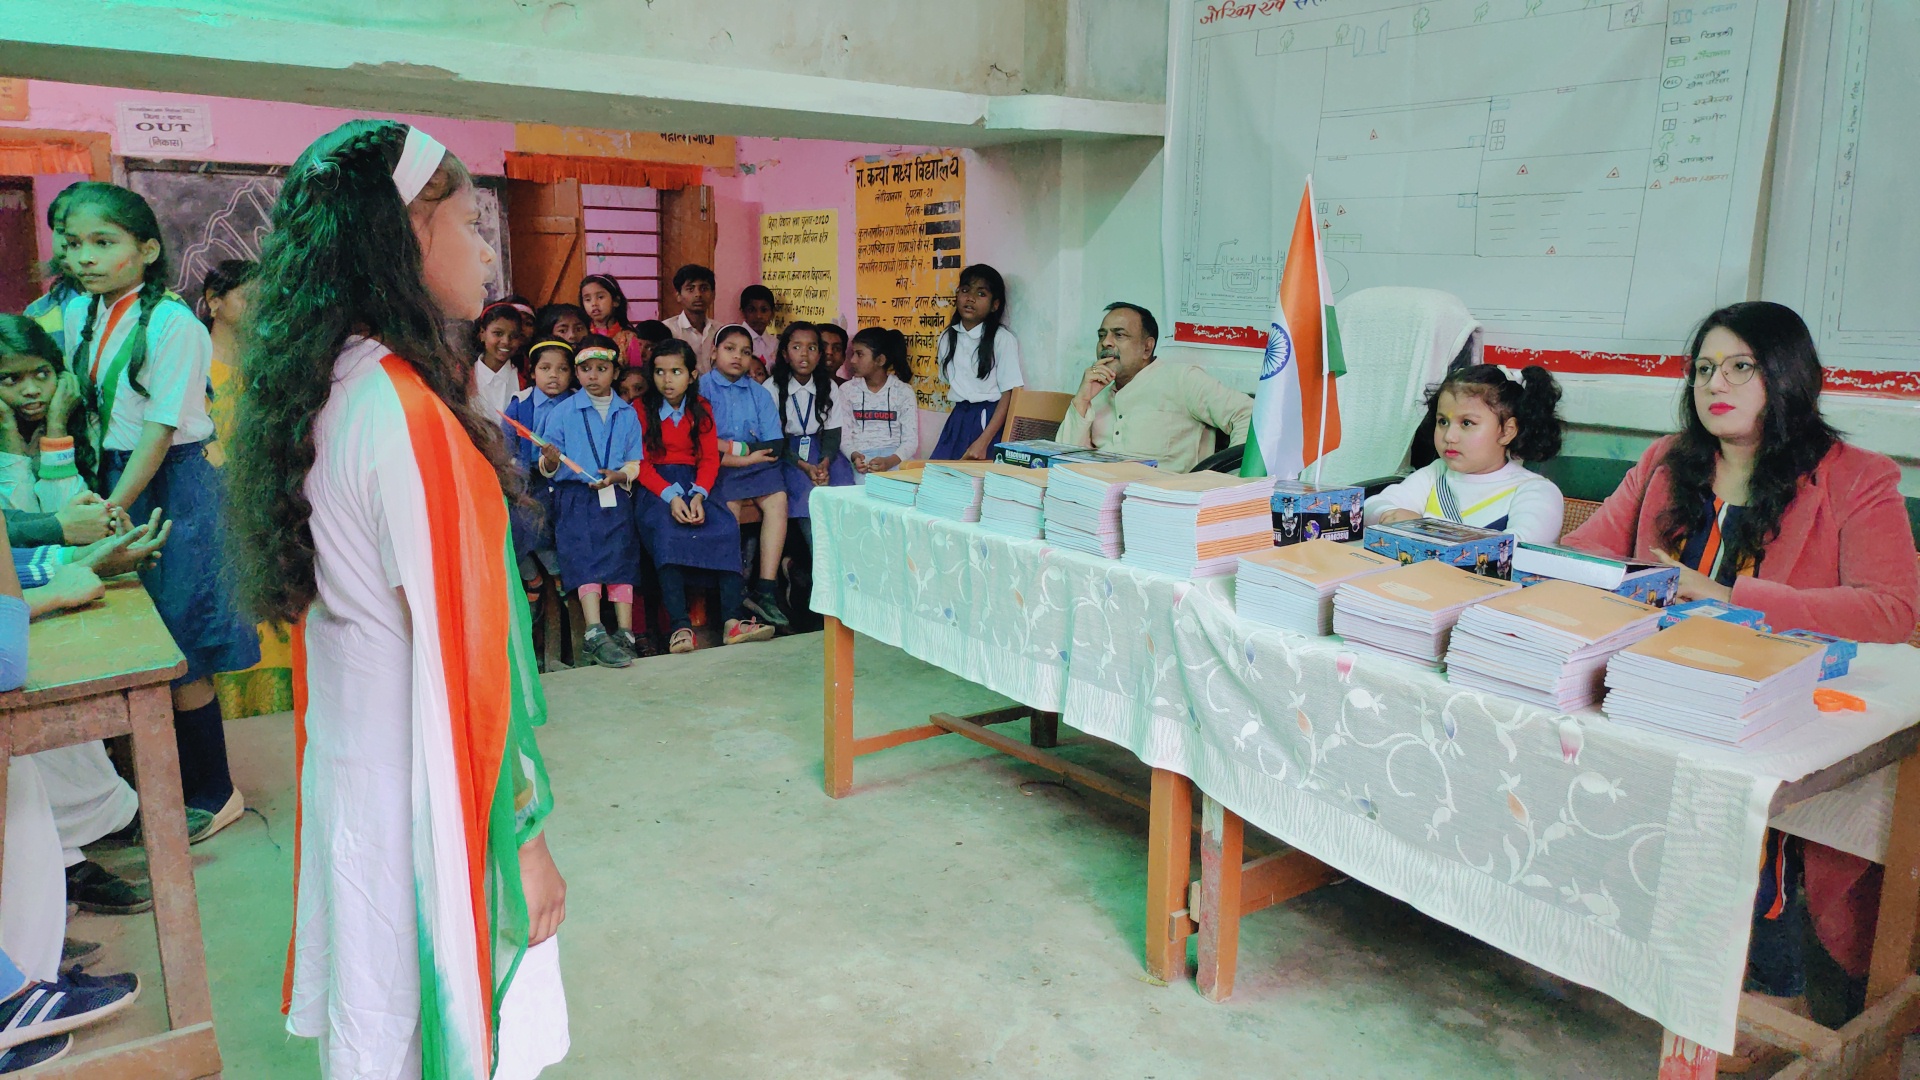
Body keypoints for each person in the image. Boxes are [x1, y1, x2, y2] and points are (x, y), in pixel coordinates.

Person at [225, 118, 568, 1079]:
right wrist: (524, 839)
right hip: (420, 779)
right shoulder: (405, 413)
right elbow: (475, 661)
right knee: (428, 1008)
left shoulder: (330, 383)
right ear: (410, 229)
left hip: (357, 758)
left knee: (376, 1006)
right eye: (471, 223)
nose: (488, 250)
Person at [1562, 302, 1919, 1067]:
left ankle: (1774, 992)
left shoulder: (1856, 477)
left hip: (1775, 700)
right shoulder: (1668, 460)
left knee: (1753, 812)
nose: (1714, 384)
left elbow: (1893, 610)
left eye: (1739, 366)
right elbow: (1588, 551)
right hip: (1661, 684)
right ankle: (1634, 957)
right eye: (1702, 369)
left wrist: (1728, 597)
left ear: (1786, 375)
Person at [62, 181, 260, 844]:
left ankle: (215, 791)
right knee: (127, 640)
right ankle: (148, 792)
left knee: (180, 642)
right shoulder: (84, 310)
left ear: (147, 249)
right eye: (73, 243)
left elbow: (159, 428)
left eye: (103, 242)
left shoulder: (173, 323)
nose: (84, 257)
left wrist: (112, 509)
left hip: (169, 484)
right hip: (114, 479)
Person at [0, 315, 148, 914]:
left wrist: (56, 431)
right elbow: (24, 524)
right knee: (34, 706)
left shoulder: (62, 418)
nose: (30, 390)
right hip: (20, 601)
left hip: (22, 590)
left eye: (41, 375)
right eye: (11, 380)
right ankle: (68, 859)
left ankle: (98, 821)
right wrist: (66, 551)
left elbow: (43, 519)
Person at [631, 340, 770, 653]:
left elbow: (709, 458)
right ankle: (680, 627)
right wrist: (671, 497)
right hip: (656, 487)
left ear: (692, 375)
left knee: (725, 527)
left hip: (697, 483)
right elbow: (639, 463)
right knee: (667, 533)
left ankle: (732, 621)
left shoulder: (701, 408)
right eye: (660, 372)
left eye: (676, 372)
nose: (667, 380)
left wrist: (698, 495)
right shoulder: (640, 409)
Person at [1364, 364, 1567, 544]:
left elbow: (1520, 547)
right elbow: (1371, 507)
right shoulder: (1436, 473)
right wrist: (1389, 514)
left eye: (1467, 423)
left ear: (1507, 431)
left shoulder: (1536, 491)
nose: (1449, 436)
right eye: (1443, 422)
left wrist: (1426, 529)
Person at [536, 335, 646, 669]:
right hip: (575, 497)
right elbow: (546, 467)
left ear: (615, 372)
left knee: (621, 558)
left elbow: (634, 463)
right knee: (584, 557)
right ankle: (594, 631)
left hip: (616, 494)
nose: (593, 375)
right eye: (586, 369)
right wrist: (550, 459)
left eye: (602, 368)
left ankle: (625, 633)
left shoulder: (627, 413)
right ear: (577, 372)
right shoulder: (563, 412)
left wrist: (619, 475)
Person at [1057, 302, 1254, 473]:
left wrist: (1227, 482)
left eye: (1119, 335)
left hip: (1166, 497)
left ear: (1147, 348)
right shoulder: (1095, 393)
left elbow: (1248, 414)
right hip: (1101, 496)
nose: (1105, 343)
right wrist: (1082, 400)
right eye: (1102, 335)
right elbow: (1061, 461)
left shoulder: (1182, 380)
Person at [702, 324, 790, 629]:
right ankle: (732, 593)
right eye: (729, 349)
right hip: (718, 466)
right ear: (714, 352)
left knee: (778, 500)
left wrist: (736, 450)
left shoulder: (759, 393)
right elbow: (701, 442)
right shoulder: (701, 389)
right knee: (730, 508)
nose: (737, 356)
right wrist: (738, 452)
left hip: (757, 463)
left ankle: (765, 588)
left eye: (745, 351)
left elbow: (774, 444)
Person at [505, 338, 575, 669]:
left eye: (562, 369)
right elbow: (506, 447)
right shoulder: (520, 403)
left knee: (551, 525)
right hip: (525, 482)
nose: (553, 376)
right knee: (514, 525)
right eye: (545, 368)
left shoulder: (576, 404)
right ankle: (533, 578)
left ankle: (558, 580)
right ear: (532, 372)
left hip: (562, 483)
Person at [930, 264, 1022, 460]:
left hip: (988, 420)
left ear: (995, 305)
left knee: (975, 475)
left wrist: (984, 441)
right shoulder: (947, 337)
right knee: (940, 473)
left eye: (981, 294)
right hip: (958, 418)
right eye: (965, 290)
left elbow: (1010, 393)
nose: (970, 298)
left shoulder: (1002, 339)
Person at [772, 321, 850, 530]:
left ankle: (845, 545)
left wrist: (824, 463)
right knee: (808, 494)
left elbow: (833, 433)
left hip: (820, 447)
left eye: (812, 348)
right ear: (785, 354)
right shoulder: (772, 387)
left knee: (842, 483)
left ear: (820, 354)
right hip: (786, 452)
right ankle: (818, 550)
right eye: (796, 347)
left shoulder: (829, 386)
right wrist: (805, 466)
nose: (804, 354)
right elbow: (775, 440)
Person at [832, 326, 918, 482]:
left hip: (896, 460)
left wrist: (890, 461)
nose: (852, 360)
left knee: (905, 488)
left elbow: (910, 441)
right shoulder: (847, 390)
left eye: (860, 354)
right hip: (861, 460)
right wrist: (855, 456)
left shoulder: (903, 391)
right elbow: (844, 437)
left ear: (880, 360)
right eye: (853, 354)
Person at [199, 258, 257, 469]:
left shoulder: (264, 364)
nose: (258, 306)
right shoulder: (195, 362)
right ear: (214, 300)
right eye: (248, 297)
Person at [23, 183, 82, 353]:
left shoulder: (147, 310)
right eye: (61, 230)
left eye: (100, 240)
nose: (67, 242)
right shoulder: (38, 315)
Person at [472, 299, 528, 418]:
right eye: (498, 333)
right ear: (482, 334)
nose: (506, 341)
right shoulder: (463, 377)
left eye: (513, 336)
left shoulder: (525, 380)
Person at [579, 274, 643, 368]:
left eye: (600, 297)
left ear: (616, 301)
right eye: (588, 299)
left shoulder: (628, 339)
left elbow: (636, 372)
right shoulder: (582, 334)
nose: (594, 303)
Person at [666, 263, 718, 373]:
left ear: (713, 295)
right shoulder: (668, 330)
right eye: (690, 289)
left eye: (704, 288)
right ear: (678, 296)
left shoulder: (721, 331)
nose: (698, 294)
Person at [739, 284, 778, 379]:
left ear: (772, 313)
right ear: (743, 312)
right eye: (751, 310)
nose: (758, 316)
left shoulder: (775, 344)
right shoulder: (735, 340)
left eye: (764, 310)